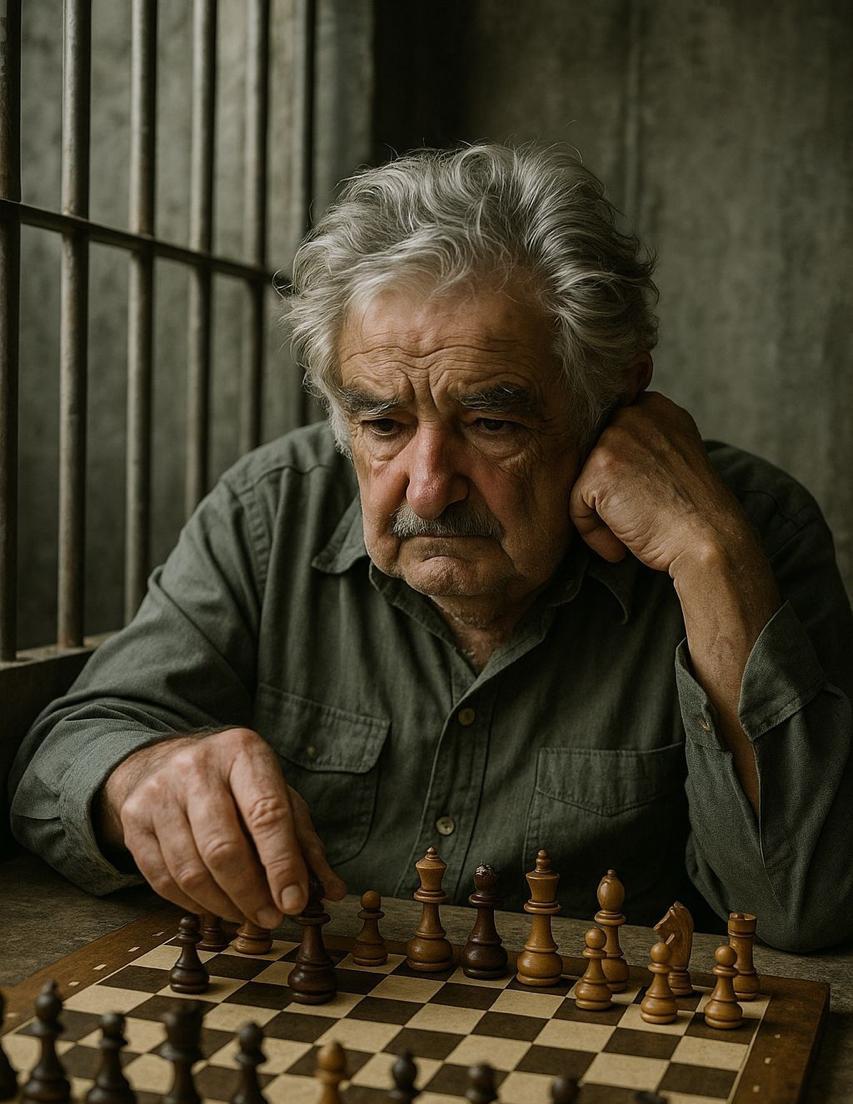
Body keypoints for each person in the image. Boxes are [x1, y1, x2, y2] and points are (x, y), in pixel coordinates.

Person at [9, 144, 853, 952]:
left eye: (490, 424)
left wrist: (707, 558)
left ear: (614, 397)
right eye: (380, 423)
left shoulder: (750, 531)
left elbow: (801, 907)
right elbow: (62, 760)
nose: (425, 487)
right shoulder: (272, 511)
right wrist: (141, 776)